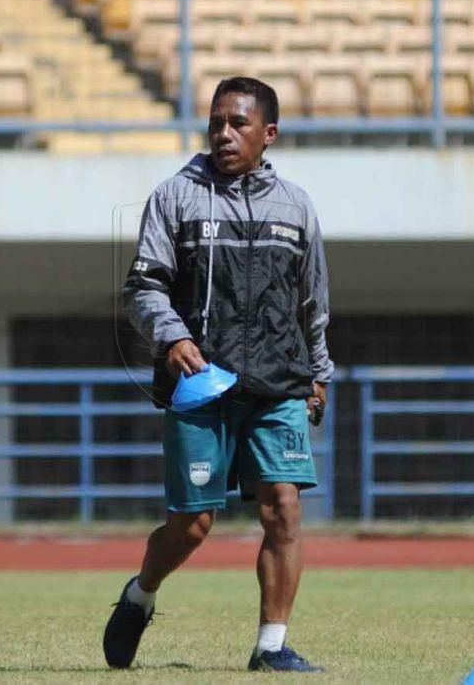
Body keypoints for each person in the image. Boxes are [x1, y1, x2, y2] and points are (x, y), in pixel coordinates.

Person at [104, 76, 334, 673]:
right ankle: (141, 593)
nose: (224, 134)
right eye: (216, 123)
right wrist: (174, 336)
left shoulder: (296, 206)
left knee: (283, 508)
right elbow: (143, 287)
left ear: (269, 133)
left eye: (238, 124)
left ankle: (271, 647)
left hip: (277, 383)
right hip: (201, 384)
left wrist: (319, 372)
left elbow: (312, 301)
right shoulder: (175, 197)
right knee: (191, 526)